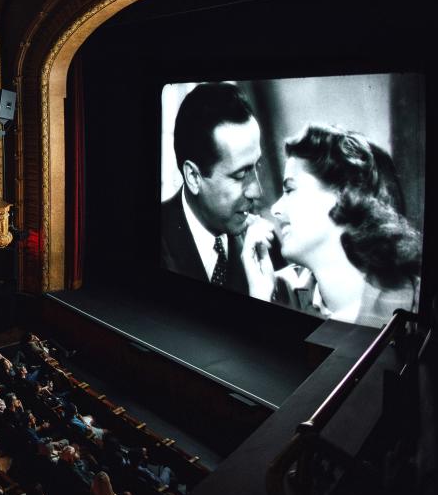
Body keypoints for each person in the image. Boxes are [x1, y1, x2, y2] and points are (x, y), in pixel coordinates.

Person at [241, 124, 422, 327]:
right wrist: (259, 300)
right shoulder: (278, 294)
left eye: (290, 189)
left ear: (345, 194)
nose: (275, 208)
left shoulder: (417, 305)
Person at [161, 82, 262, 294]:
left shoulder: (264, 245)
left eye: (257, 167)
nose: (257, 192)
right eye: (241, 174)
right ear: (194, 177)